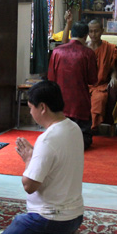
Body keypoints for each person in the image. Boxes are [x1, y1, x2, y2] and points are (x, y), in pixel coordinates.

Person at [0, 81, 84, 234]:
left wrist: (28, 161)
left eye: (31, 108)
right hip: (75, 216)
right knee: (19, 223)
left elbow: (29, 186)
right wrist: (35, 159)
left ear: (42, 107)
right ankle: (71, 233)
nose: (30, 113)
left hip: (51, 219)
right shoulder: (74, 128)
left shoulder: (47, 139)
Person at [62, 15, 117, 131]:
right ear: (87, 33)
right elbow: (65, 44)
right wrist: (68, 23)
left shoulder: (109, 48)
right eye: (90, 31)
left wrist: (114, 78)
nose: (93, 34)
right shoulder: (84, 47)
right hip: (84, 85)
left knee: (99, 99)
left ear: (102, 31)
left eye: (96, 31)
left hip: (100, 85)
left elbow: (111, 68)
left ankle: (91, 128)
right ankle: (76, 129)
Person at [48, 20, 98, 149]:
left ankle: (61, 143)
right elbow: (93, 80)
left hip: (60, 102)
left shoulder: (57, 52)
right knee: (84, 140)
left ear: (71, 34)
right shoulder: (88, 53)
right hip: (80, 103)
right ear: (85, 36)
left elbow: (51, 78)